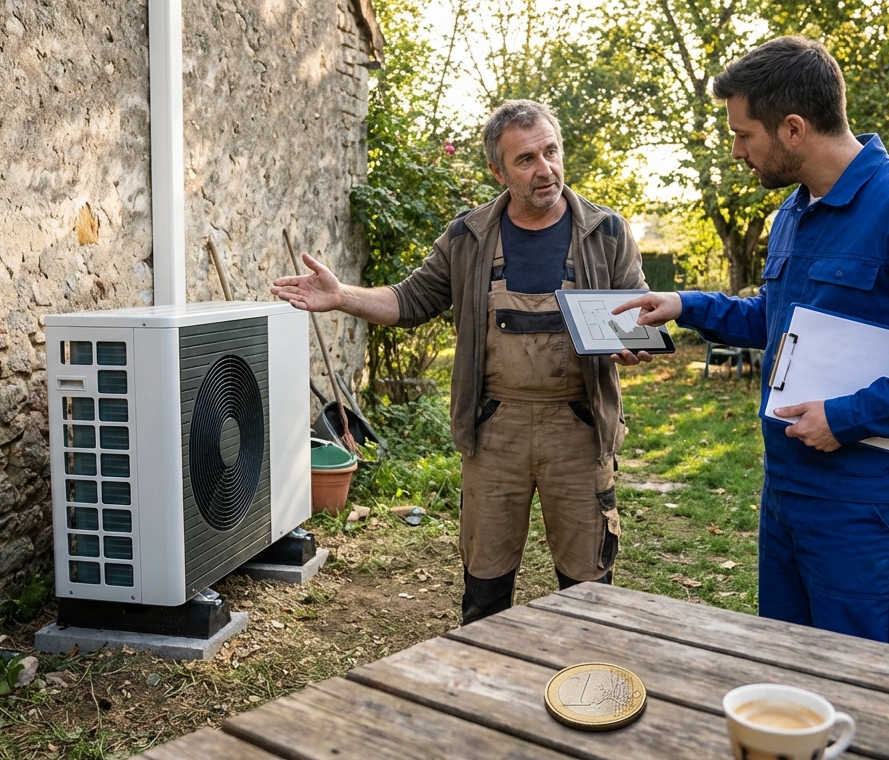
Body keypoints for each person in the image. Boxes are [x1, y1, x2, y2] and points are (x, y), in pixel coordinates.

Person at [615, 36, 889, 646]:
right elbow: (776, 319)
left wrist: (847, 418)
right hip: (786, 488)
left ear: (793, 128)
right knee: (788, 668)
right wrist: (685, 306)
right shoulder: (793, 213)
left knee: (858, 679)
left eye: (745, 135)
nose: (738, 152)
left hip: (865, 502)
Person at [272, 100, 649, 623]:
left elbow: (639, 315)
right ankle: (481, 691)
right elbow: (410, 299)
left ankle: (589, 696)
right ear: (498, 171)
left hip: (579, 430)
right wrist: (342, 296)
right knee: (486, 590)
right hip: (494, 431)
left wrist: (635, 345)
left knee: (589, 592)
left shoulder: (605, 232)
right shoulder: (469, 236)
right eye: (526, 160)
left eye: (551, 152)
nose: (546, 170)